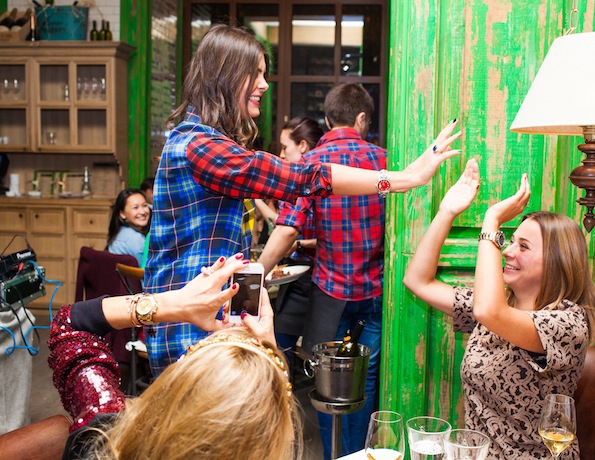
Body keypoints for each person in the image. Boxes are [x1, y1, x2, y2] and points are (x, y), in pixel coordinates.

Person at [144, 22, 461, 378]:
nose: (264, 85)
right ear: (225, 76)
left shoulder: (201, 141)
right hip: (189, 332)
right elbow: (304, 177)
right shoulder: (201, 145)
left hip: (204, 321)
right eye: (255, 74)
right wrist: (407, 179)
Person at [403, 159, 595, 459]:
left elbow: (488, 311)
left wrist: (492, 220)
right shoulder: (500, 304)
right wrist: (447, 212)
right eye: (510, 241)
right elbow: (418, 281)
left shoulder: (567, 322)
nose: (507, 251)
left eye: (524, 246)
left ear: (557, 260)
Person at [49, 255, 301, 459]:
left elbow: (70, 325)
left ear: (170, 396)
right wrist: (270, 356)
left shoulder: (103, 445)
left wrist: (175, 304)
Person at [258, 84, 387, 457]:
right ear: (361, 118)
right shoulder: (384, 161)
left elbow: (288, 229)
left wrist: (256, 274)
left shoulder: (310, 164)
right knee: (365, 381)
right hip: (374, 293)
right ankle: (357, 455)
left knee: (329, 387)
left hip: (330, 295)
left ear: (328, 120)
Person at [260, 116, 323, 365]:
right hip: (298, 278)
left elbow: (289, 231)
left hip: (315, 278)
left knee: (299, 351)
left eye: (285, 147)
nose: (281, 154)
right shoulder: (300, 180)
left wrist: (256, 274)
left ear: (303, 146)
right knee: (282, 343)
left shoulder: (309, 177)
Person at [106, 188, 151, 266]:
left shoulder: (121, 232)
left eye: (144, 205)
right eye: (135, 207)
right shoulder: (135, 239)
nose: (143, 212)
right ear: (122, 214)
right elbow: (148, 270)